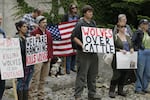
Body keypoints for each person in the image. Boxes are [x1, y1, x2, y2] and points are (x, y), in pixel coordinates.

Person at [71, 5, 101, 100]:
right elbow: (74, 37)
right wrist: (82, 45)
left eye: (91, 12)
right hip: (83, 53)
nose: (91, 13)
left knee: (93, 74)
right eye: (89, 12)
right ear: (84, 13)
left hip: (93, 52)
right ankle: (78, 95)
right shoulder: (80, 23)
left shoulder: (93, 23)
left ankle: (92, 93)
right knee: (82, 74)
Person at [29, 16, 53, 100]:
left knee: (43, 78)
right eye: (43, 22)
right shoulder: (34, 32)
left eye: (46, 22)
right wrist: (35, 38)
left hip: (47, 57)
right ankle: (31, 96)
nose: (45, 24)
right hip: (38, 58)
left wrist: (50, 56)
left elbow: (50, 46)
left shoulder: (48, 33)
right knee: (36, 78)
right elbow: (30, 46)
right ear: (39, 23)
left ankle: (41, 95)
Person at [109, 22, 134, 98]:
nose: (123, 28)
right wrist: (119, 50)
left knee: (124, 74)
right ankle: (111, 91)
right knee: (116, 75)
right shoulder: (115, 37)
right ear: (118, 28)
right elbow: (111, 47)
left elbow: (131, 45)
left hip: (127, 58)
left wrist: (132, 49)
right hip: (117, 58)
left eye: (124, 26)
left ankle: (120, 90)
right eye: (122, 27)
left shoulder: (128, 37)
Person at [15, 21, 32, 100]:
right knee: (20, 83)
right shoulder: (16, 39)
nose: (26, 28)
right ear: (19, 28)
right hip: (21, 65)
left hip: (29, 65)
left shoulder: (27, 38)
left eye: (26, 27)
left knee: (26, 83)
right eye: (24, 26)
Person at [132, 19, 150, 94]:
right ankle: (138, 88)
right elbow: (133, 41)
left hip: (149, 52)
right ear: (141, 25)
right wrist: (137, 49)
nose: (147, 25)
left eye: (147, 24)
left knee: (148, 71)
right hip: (141, 52)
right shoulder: (138, 32)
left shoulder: (149, 32)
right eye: (145, 24)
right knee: (140, 71)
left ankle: (145, 87)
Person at [61, 3, 80, 74]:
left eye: (75, 8)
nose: (74, 9)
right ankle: (68, 68)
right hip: (68, 36)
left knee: (75, 52)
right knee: (68, 52)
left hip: (75, 36)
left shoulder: (78, 17)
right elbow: (62, 25)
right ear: (70, 9)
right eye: (73, 8)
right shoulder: (66, 16)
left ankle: (72, 66)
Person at [0, 13, 6, 100]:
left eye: (1, 19)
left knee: (2, 85)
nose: (0, 21)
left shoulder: (2, 32)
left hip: (2, 63)